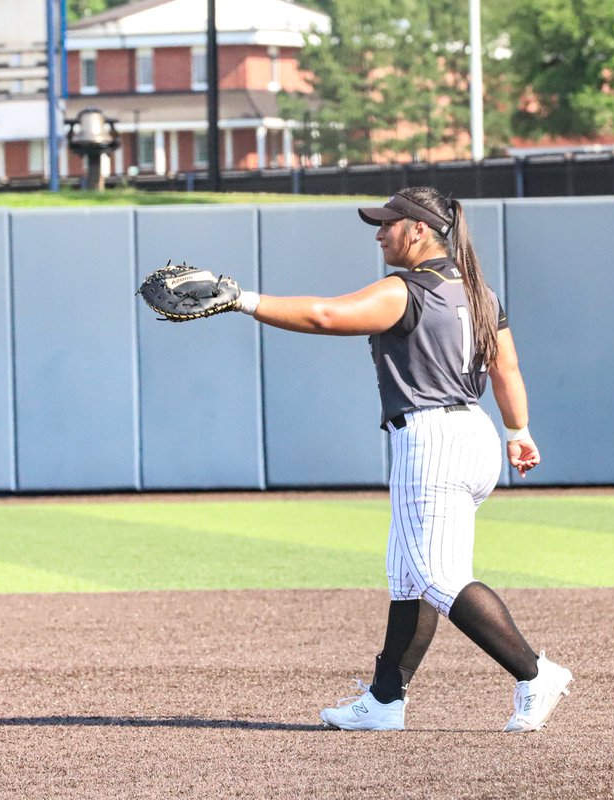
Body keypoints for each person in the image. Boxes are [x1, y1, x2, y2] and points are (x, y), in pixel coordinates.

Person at [224, 186, 572, 732]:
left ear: (418, 229)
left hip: (432, 439)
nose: (380, 232)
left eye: (388, 223)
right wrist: (518, 429)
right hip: (474, 433)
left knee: (437, 576)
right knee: (409, 577)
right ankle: (385, 701)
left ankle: (534, 672)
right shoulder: (479, 291)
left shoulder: (406, 289)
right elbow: (505, 369)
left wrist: (243, 299)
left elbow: (322, 315)